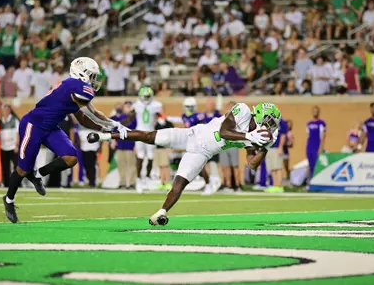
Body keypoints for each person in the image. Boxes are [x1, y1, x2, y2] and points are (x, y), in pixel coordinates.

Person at [88, 102, 281, 225]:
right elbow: (224, 131)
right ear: (261, 116)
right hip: (192, 135)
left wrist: (264, 147)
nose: (271, 127)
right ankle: (106, 135)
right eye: (271, 122)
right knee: (149, 136)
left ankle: (161, 213)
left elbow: (252, 164)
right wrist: (250, 135)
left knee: (179, 184)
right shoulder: (244, 110)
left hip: (202, 153)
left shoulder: (254, 138)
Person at [3, 57, 129, 224]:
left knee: (70, 158)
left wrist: (109, 127)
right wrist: (114, 124)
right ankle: (9, 200)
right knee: (22, 170)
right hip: (33, 125)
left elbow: (84, 119)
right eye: (92, 75)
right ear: (82, 73)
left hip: (50, 128)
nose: (94, 80)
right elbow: (93, 113)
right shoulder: (75, 85)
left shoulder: (73, 89)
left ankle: (38, 174)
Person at [126, 87, 162, 192]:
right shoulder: (136, 105)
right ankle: (138, 180)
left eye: (148, 96)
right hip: (139, 132)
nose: (146, 98)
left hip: (151, 133)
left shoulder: (156, 105)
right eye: (145, 96)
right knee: (140, 156)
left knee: (150, 157)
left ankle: (146, 177)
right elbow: (130, 118)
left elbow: (162, 117)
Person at [0, 105, 20, 188]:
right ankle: (6, 184)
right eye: (4, 110)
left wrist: (16, 145)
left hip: (13, 147)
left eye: (7, 110)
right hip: (3, 147)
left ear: (9, 111)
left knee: (16, 167)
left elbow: (18, 133)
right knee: (5, 167)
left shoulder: (15, 120)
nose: (5, 112)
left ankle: (17, 183)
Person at [265, 118, 287, 192]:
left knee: (278, 167)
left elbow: (283, 135)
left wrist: (280, 147)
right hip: (269, 147)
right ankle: (275, 185)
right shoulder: (268, 121)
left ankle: (279, 186)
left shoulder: (282, 122)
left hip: (277, 147)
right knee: (272, 168)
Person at [154, 112, 174, 191]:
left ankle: (168, 182)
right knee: (161, 166)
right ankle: (162, 182)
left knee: (165, 166)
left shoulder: (168, 124)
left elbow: (172, 135)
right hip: (158, 147)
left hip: (165, 148)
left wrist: (170, 146)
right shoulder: (157, 124)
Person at [306, 106, 326, 179]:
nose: (315, 112)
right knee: (310, 164)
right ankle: (310, 181)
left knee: (316, 164)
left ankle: (316, 180)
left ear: (318, 112)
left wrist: (321, 148)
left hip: (316, 146)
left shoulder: (321, 123)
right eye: (314, 111)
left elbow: (323, 136)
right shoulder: (309, 123)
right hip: (309, 146)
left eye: (316, 111)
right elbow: (308, 136)